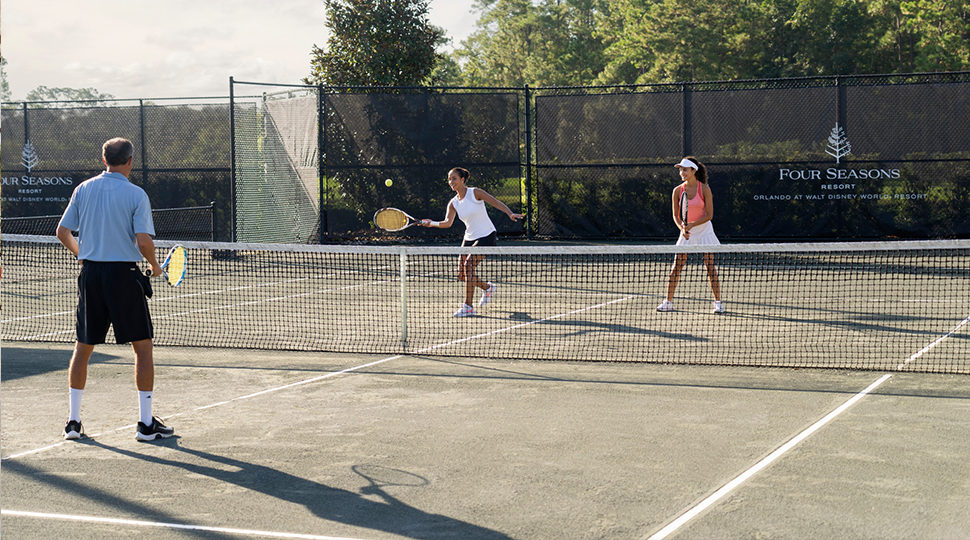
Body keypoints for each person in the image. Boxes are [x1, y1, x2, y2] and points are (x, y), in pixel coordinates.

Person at [55, 137, 175, 441]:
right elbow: (145, 241)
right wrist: (156, 265)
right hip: (123, 277)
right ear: (131, 161)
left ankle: (73, 423)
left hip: (91, 275)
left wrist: (82, 254)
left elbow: (62, 231)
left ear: (104, 159)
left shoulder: (83, 189)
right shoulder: (136, 194)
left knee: (83, 348)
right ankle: (146, 425)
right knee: (143, 349)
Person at [419, 167, 523, 317]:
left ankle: (468, 306)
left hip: (486, 235)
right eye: (449, 179)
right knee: (462, 274)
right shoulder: (453, 203)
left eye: (454, 178)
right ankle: (487, 287)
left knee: (469, 266)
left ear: (462, 180)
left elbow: (496, 202)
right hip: (469, 238)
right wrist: (432, 223)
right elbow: (447, 223)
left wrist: (510, 213)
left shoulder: (475, 193)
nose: (451, 182)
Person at [657, 157, 724, 314]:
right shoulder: (677, 191)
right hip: (686, 231)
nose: (681, 172)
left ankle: (718, 303)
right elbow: (675, 215)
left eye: (685, 170)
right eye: (680, 170)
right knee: (676, 268)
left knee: (710, 266)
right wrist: (682, 228)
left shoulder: (705, 189)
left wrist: (693, 225)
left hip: (704, 230)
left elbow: (709, 215)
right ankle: (668, 302)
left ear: (694, 171)